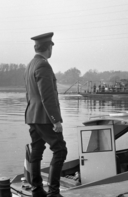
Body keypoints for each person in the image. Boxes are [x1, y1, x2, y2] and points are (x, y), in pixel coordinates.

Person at [24, 32, 67, 197]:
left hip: (32, 116)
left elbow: (30, 94)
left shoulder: (30, 65)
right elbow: (47, 97)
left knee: (37, 150)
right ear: (49, 48)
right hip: (44, 117)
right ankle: (53, 193)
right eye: (51, 47)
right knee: (60, 150)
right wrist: (56, 120)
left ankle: (37, 190)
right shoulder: (43, 65)